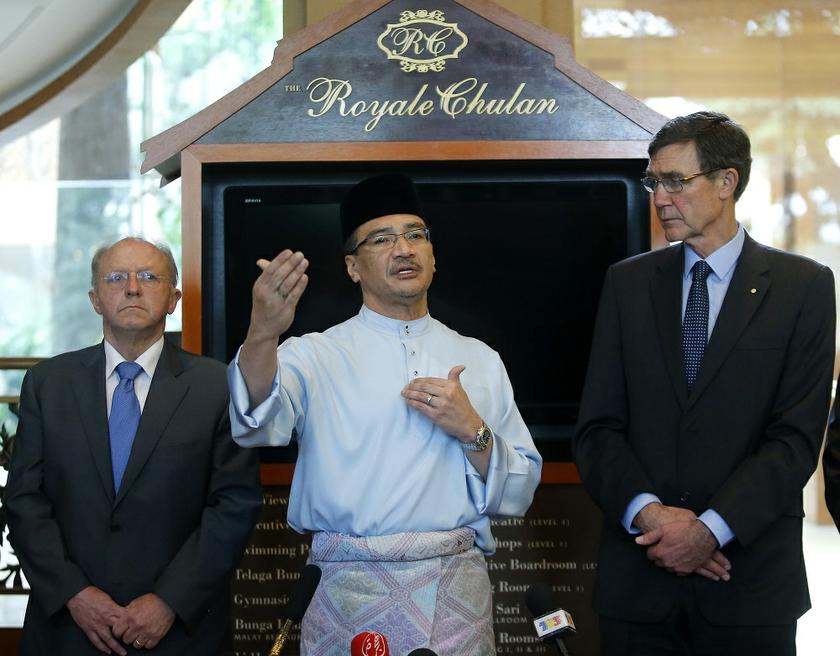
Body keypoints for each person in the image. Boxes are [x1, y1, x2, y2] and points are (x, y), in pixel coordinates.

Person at [228, 173, 542, 656]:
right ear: (353, 266)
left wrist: (472, 430)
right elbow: (254, 422)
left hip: (454, 590)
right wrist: (262, 332)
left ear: (433, 256)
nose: (404, 249)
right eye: (382, 239)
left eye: (416, 235)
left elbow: (519, 488)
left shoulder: (478, 357)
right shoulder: (313, 354)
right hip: (348, 593)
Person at [573, 112, 835, 655]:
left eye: (675, 181)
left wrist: (710, 530)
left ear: (726, 181)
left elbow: (795, 440)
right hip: (638, 587)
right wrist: (654, 518)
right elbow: (598, 429)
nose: (660, 198)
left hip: (748, 586)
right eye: (653, 182)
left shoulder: (804, 286)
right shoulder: (627, 284)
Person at [5, 237, 262, 655]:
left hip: (179, 631)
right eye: (116, 278)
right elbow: (24, 501)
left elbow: (234, 504)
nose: (132, 288)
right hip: (68, 629)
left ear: (174, 298)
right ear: (94, 299)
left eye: (149, 276)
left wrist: (168, 601)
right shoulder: (48, 384)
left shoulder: (217, 386)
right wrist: (75, 594)